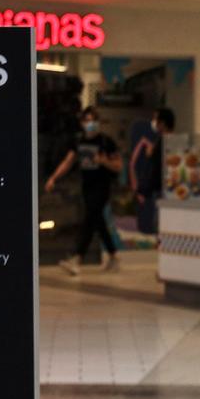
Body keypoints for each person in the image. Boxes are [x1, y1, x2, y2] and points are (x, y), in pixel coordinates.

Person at [46, 107, 122, 275]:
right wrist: (54, 178)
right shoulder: (79, 142)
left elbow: (118, 166)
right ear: (82, 123)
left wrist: (104, 162)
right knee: (97, 220)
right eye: (87, 120)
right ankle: (114, 255)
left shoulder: (106, 142)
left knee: (90, 218)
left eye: (93, 120)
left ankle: (77, 257)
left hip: (102, 186)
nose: (91, 124)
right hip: (87, 186)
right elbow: (68, 162)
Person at [129, 107, 173, 235]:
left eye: (156, 119)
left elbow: (152, 170)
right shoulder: (173, 141)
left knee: (158, 225)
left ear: (162, 123)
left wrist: (143, 190)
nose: (153, 122)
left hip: (158, 190)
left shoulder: (161, 143)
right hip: (169, 190)